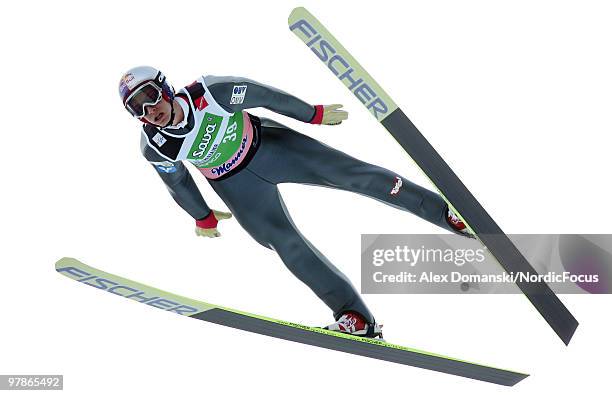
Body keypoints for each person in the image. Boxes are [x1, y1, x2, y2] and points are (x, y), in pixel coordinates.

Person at [118, 66, 471, 338]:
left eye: (149, 97)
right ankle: (356, 317)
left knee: (356, 176)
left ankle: (447, 214)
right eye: (137, 109)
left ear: (164, 86)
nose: (149, 110)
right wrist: (202, 217)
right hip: (236, 186)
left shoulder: (210, 93)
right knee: (287, 247)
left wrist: (311, 113)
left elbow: (264, 95)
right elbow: (177, 180)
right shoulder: (155, 144)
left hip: (272, 148)